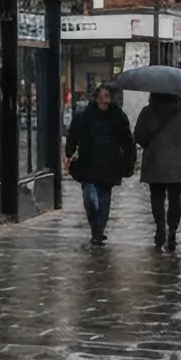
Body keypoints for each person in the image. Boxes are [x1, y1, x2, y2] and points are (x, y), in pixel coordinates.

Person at [65, 82, 135, 247]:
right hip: (88, 162)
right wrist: (70, 152)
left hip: (109, 164)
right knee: (90, 198)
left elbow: (127, 140)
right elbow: (74, 133)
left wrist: (129, 160)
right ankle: (95, 228)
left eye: (108, 96)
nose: (105, 99)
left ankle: (98, 232)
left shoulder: (118, 116)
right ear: (96, 97)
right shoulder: (86, 115)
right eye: (102, 96)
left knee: (104, 199)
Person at [133, 92, 181, 250]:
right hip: (178, 163)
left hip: (155, 161)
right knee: (175, 198)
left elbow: (138, 136)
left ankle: (160, 228)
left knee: (157, 196)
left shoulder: (148, 112)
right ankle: (172, 231)